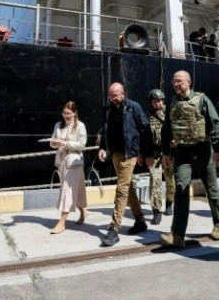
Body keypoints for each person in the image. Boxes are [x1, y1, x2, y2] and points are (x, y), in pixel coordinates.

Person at [157, 71, 219, 248]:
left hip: (203, 150)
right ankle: (178, 234)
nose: (176, 84)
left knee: (211, 188)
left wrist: (218, 149)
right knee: (181, 188)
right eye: (174, 82)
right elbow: (166, 129)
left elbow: (216, 123)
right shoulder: (172, 102)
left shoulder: (202, 100)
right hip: (182, 152)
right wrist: (166, 152)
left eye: (179, 81)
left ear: (189, 82)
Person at [98, 82, 149, 247]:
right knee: (128, 188)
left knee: (121, 189)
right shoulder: (108, 111)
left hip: (129, 154)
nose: (113, 97)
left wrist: (144, 152)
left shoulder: (133, 107)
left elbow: (145, 130)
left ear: (123, 93)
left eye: (116, 94)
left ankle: (114, 229)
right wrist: (103, 148)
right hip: (115, 154)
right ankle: (140, 221)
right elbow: (105, 131)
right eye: (111, 95)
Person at [49, 101, 89, 234]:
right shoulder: (58, 125)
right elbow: (53, 143)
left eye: (68, 113)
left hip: (74, 163)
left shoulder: (80, 126)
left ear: (75, 113)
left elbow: (82, 145)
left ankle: (62, 222)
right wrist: (54, 143)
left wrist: (65, 143)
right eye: (64, 113)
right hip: (61, 162)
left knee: (67, 190)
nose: (66, 116)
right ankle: (84, 211)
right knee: (78, 190)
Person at [144, 89, 175, 223]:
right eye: (156, 101)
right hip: (155, 154)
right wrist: (144, 154)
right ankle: (156, 211)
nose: (159, 104)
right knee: (155, 181)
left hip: (169, 153)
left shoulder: (170, 114)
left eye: (161, 101)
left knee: (170, 180)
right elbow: (143, 136)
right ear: (151, 102)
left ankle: (169, 202)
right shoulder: (146, 117)